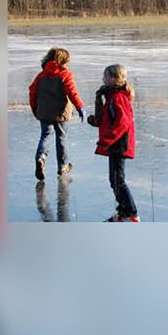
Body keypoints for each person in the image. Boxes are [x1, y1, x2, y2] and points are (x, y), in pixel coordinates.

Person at [87, 64, 140, 222]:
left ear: (112, 78)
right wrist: (96, 121)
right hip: (115, 143)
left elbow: (122, 123)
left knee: (118, 179)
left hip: (118, 144)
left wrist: (106, 140)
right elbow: (110, 119)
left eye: (104, 77)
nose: (102, 79)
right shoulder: (111, 96)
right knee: (115, 179)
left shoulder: (118, 97)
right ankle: (124, 210)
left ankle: (131, 213)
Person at [28, 47, 85, 181]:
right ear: (61, 62)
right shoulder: (66, 75)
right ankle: (62, 166)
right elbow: (72, 92)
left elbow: (32, 92)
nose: (67, 65)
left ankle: (41, 157)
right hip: (61, 113)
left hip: (44, 112)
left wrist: (35, 109)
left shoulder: (41, 76)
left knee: (46, 135)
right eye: (66, 62)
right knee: (61, 137)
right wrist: (80, 107)